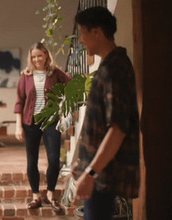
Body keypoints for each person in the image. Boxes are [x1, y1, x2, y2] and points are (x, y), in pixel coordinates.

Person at [72, 6, 140, 220]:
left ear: (96, 32)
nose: (80, 41)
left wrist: (91, 173)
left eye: (82, 33)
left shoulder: (114, 69)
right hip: (98, 176)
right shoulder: (108, 65)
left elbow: (117, 130)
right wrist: (83, 164)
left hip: (103, 178)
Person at [14, 42, 71, 211]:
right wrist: (18, 126)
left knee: (54, 159)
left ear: (46, 55)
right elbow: (19, 102)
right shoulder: (26, 76)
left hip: (51, 121)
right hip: (30, 123)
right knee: (32, 161)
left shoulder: (55, 73)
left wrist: (63, 106)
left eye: (39, 55)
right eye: (33, 56)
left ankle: (51, 194)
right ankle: (36, 196)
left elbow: (72, 86)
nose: (37, 59)